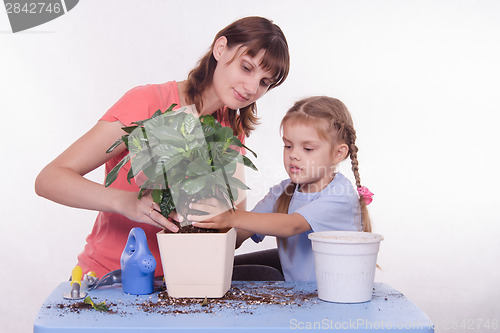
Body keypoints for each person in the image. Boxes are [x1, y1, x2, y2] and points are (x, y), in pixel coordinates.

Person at [34, 16, 290, 278]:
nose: (251, 88)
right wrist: (128, 202)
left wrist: (282, 204)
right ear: (220, 48)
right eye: (246, 68)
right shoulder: (148, 102)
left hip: (182, 278)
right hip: (116, 276)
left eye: (264, 82)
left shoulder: (227, 130)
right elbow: (49, 179)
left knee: (277, 270)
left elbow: (229, 233)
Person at [189, 96, 374, 281]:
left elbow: (292, 225)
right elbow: (241, 232)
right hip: (299, 288)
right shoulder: (283, 191)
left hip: (331, 294)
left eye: (307, 149)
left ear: (338, 153)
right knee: (229, 267)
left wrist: (231, 216)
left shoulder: (340, 194)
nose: (293, 155)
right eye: (288, 146)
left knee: (264, 275)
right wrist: (205, 223)